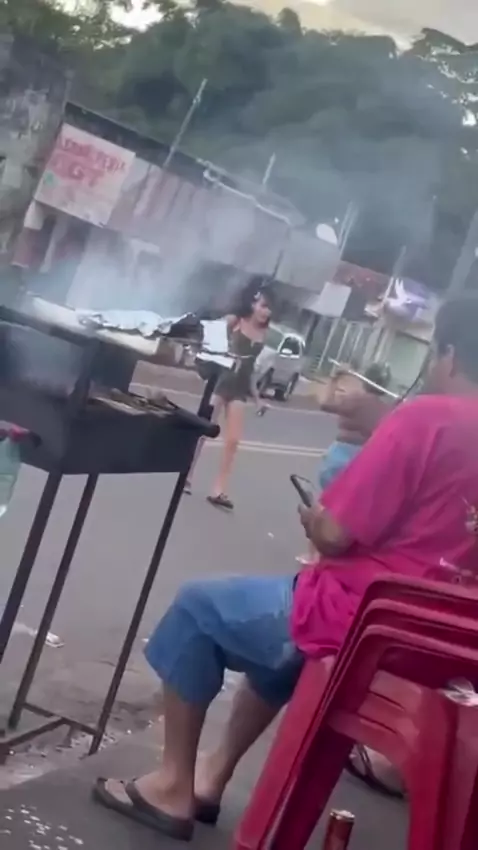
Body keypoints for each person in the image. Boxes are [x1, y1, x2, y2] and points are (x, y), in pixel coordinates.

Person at [93, 295, 478, 843]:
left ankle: (172, 786)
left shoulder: (425, 419)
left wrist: (314, 518)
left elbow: (335, 534)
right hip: (433, 642)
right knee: (272, 645)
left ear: (450, 355)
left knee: (199, 610)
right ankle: (211, 776)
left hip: (361, 623)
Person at [297, 360, 393, 564]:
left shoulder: (357, 400)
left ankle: (313, 555)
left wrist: (335, 380)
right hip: (364, 460)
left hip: (341, 456)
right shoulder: (387, 410)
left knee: (324, 506)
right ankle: (328, 556)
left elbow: (325, 404)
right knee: (345, 511)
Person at [186, 282, 273, 510]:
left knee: (233, 441)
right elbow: (208, 335)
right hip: (221, 383)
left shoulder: (264, 333)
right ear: (252, 304)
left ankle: (219, 489)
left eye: (269, 308)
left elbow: (251, 371)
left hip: (240, 389)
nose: (266, 312)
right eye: (263, 306)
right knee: (203, 431)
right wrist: (203, 358)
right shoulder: (235, 321)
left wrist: (258, 399)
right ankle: (187, 475)